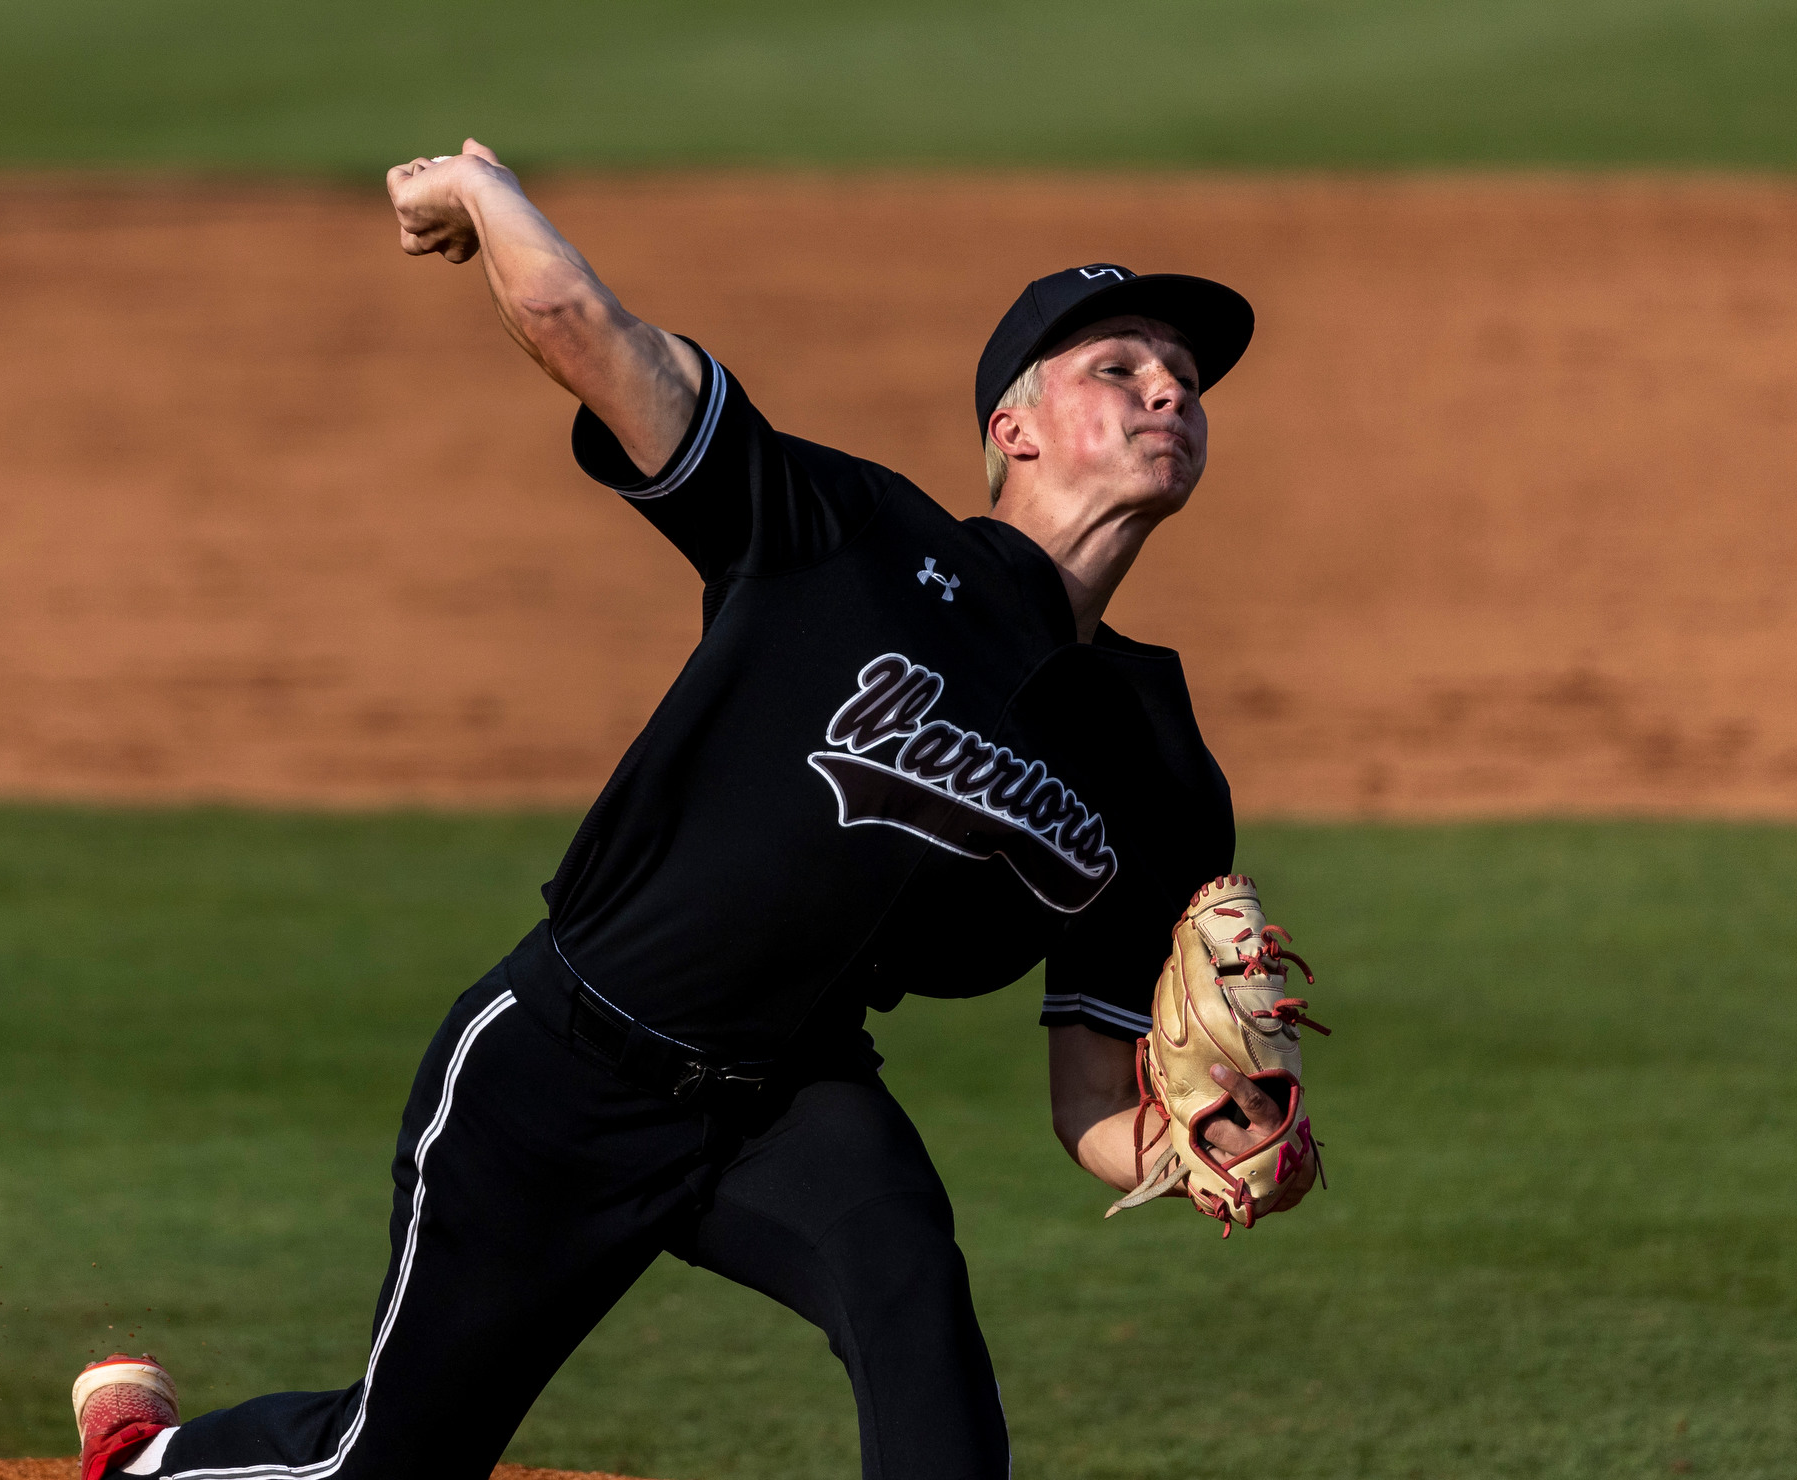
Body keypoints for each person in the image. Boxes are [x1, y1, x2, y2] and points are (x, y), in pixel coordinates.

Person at [70, 138, 1283, 1480]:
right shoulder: (844, 534)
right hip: (556, 1075)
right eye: (1116, 369)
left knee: (909, 1297)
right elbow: (582, 331)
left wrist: (1210, 1144)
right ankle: (142, 1462)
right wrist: (483, 194)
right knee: (382, 1467)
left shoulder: (1157, 766)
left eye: (1181, 380)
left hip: (784, 1103)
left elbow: (1090, 1109)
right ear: (1014, 427)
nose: (1164, 389)